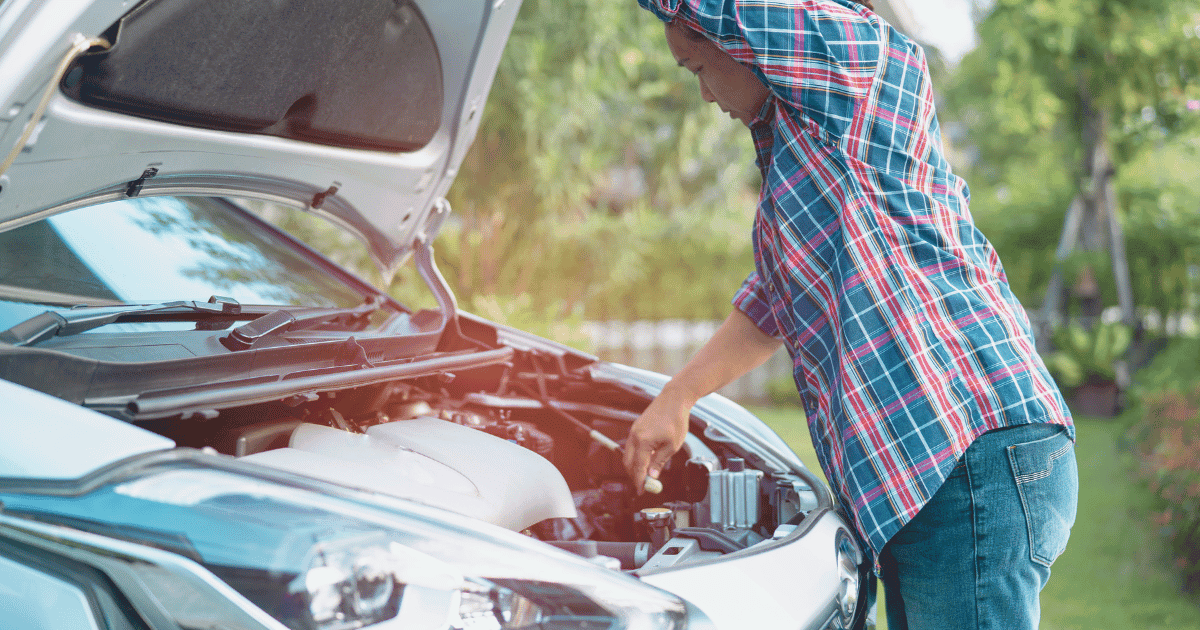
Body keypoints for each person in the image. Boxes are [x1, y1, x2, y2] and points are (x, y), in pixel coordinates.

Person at [621, 2, 1079, 629]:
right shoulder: (805, 146)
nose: (703, 94)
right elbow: (772, 302)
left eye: (699, 67)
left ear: (740, 41)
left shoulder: (853, 63)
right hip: (935, 476)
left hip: (969, 457)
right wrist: (679, 396)